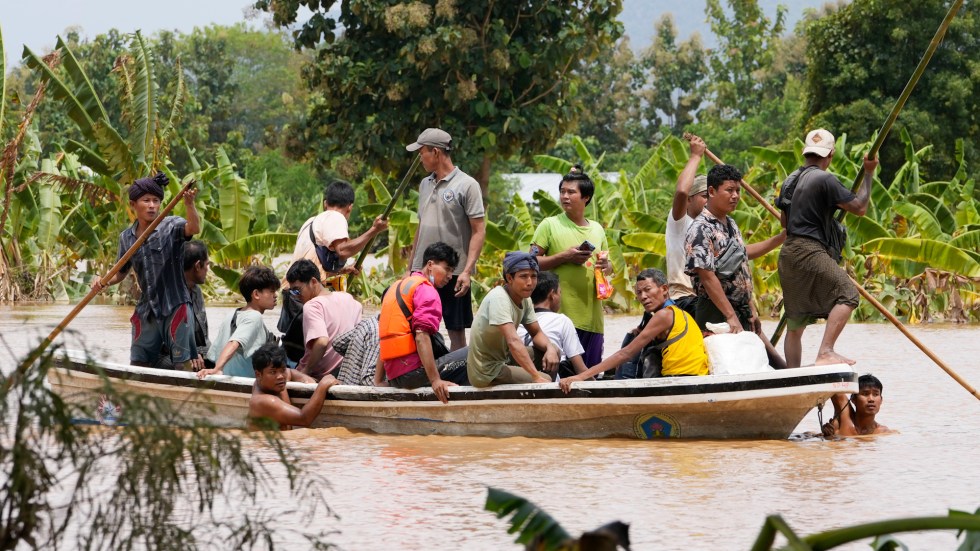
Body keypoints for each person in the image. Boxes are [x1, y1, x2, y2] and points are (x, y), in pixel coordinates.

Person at [776, 129, 878, 367]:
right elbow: (860, 207)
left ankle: (793, 375)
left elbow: (784, 222)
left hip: (788, 252)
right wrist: (869, 172)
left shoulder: (789, 180)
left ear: (806, 153)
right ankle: (826, 351)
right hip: (810, 250)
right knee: (849, 294)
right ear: (830, 155)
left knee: (795, 321)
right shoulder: (825, 179)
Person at [93, 173, 200, 369]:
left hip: (175, 305)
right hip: (147, 309)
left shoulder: (171, 225)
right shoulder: (127, 237)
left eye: (156, 201)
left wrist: (189, 204)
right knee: (138, 362)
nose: (152, 205)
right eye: (146, 200)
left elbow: (193, 228)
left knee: (182, 363)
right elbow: (121, 271)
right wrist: (104, 281)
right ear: (134, 204)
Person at [685, 164, 787, 369]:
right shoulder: (700, 229)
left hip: (740, 309)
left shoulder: (730, 223)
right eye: (729, 190)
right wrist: (731, 316)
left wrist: (751, 310)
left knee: (751, 366)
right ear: (712, 191)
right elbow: (707, 276)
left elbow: (742, 257)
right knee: (726, 368)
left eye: (738, 190)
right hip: (716, 312)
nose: (735, 196)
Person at [559, 269, 708, 393]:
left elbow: (626, 353)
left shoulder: (665, 315)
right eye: (639, 292)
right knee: (632, 336)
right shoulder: (679, 313)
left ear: (664, 289)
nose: (643, 297)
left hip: (682, 380)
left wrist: (581, 376)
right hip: (693, 377)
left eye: (648, 290)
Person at [405, 128, 486, 351]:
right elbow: (421, 226)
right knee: (417, 326)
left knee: (456, 330)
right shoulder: (424, 184)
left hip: (454, 272)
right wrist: (411, 267)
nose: (420, 158)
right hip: (423, 271)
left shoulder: (467, 185)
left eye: (422, 152)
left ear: (436, 153)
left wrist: (467, 271)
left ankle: (458, 380)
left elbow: (479, 231)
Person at [530, 165, 612, 368]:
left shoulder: (597, 229)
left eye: (571, 192)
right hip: (558, 319)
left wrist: (605, 264)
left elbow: (609, 267)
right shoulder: (549, 225)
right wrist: (564, 256)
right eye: (562, 191)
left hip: (593, 319)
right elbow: (530, 262)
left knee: (590, 375)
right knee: (559, 376)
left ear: (586, 197)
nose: (564, 196)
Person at [375, 242, 461, 403]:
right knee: (472, 354)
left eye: (452, 271)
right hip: (413, 374)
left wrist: (378, 380)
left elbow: (387, 336)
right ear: (430, 264)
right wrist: (435, 381)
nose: (450, 276)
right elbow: (421, 336)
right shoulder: (427, 290)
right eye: (447, 269)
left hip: (395, 377)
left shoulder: (396, 286)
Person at [198, 266, 313, 381]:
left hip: (229, 377)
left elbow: (214, 353)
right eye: (271, 291)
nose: (275, 295)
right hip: (245, 382)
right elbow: (234, 343)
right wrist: (218, 368)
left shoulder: (233, 314)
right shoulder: (254, 317)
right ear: (256, 294)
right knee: (293, 373)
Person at [466, 252, 558, 388]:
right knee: (545, 380)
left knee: (554, 351)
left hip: (504, 358)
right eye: (523, 276)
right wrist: (535, 376)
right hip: (487, 370)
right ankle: (540, 397)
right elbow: (514, 342)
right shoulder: (499, 299)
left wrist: (550, 348)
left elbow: (537, 333)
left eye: (534, 276)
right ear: (509, 278)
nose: (530, 282)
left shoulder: (525, 298)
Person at [292, 180, 389, 279]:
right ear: (350, 207)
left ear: (325, 203)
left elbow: (313, 265)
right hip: (307, 291)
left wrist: (342, 271)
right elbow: (343, 251)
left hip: (294, 289)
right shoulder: (335, 217)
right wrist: (374, 230)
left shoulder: (310, 222)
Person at [285, 259, 363, 380]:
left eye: (297, 290)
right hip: (345, 371)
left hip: (318, 374)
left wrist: (306, 371)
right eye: (292, 291)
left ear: (313, 282)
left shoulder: (312, 305)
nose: (295, 295)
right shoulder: (348, 299)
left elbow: (321, 342)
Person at [515, 271, 589, 380]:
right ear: (552, 295)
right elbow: (580, 368)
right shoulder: (561, 320)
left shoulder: (516, 320)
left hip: (518, 376)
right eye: (560, 292)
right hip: (547, 381)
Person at [248, 343, 339, 430]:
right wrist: (322, 386)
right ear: (258, 374)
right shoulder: (263, 401)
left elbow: (289, 371)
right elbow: (304, 419)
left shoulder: (271, 383)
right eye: (273, 372)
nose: (281, 376)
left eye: (282, 370)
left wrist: (305, 378)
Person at [666, 135, 708, 317]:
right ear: (690, 199)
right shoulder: (680, 222)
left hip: (706, 297)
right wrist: (695, 156)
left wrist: (780, 238)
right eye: (705, 195)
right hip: (683, 298)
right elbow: (682, 190)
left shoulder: (712, 225)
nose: (709, 201)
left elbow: (743, 251)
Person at [156, 239, 211, 371]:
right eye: (207, 265)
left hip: (194, 353)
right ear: (197, 266)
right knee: (186, 364)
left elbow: (202, 335)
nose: (207, 270)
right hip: (166, 356)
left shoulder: (196, 291)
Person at [821, 374, 891, 437]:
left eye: (875, 394)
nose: (871, 399)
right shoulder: (845, 418)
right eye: (865, 394)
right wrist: (828, 436)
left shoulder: (883, 432)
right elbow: (831, 381)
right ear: (853, 399)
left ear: (881, 400)